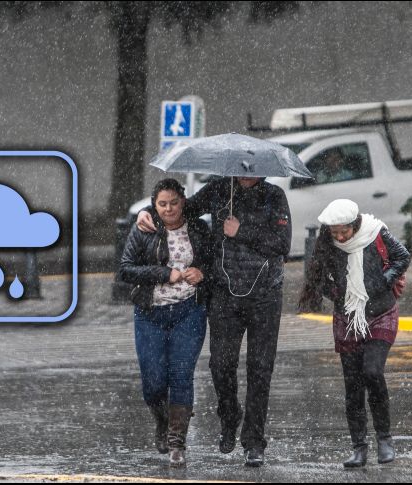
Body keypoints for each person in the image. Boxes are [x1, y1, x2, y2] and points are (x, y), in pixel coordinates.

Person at [136, 175, 291, 467]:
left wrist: (241, 231)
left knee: (260, 368)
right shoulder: (221, 188)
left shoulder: (274, 196)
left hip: (265, 296)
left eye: (252, 169)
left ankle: (254, 441)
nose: (246, 174)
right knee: (221, 364)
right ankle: (229, 416)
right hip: (224, 295)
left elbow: (282, 244)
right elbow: (183, 207)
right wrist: (148, 210)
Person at [298, 199, 410, 468]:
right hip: (347, 318)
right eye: (334, 232)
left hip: (381, 313)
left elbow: (402, 257)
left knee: (372, 371)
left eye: (343, 231)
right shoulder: (327, 243)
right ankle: (359, 447)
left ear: (355, 223)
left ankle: (384, 439)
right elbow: (317, 277)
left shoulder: (375, 231)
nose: (339, 236)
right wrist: (337, 293)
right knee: (353, 386)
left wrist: (384, 281)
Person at [118, 178, 212, 468]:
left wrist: (202, 272)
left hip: (189, 311)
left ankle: (176, 443)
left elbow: (213, 259)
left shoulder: (198, 227)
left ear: (183, 201)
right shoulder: (144, 227)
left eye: (173, 202)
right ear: (154, 205)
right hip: (150, 314)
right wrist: (163, 273)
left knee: (182, 375)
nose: (168, 208)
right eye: (162, 204)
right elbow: (126, 269)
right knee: (154, 382)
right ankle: (161, 421)